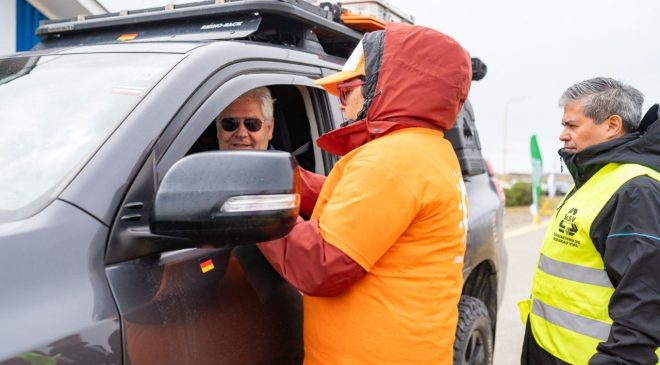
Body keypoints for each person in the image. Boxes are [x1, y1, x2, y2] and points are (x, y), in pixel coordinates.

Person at [257, 23, 472, 364]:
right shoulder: (426, 150)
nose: (340, 106)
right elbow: (352, 202)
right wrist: (280, 176)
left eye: (346, 92)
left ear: (384, 87)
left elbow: (319, 263)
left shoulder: (392, 160)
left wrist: (256, 204)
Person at [519, 77, 660, 365]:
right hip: (550, 350)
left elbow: (646, 298)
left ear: (612, 125)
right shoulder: (593, 177)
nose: (562, 135)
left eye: (571, 125)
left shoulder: (635, 191)